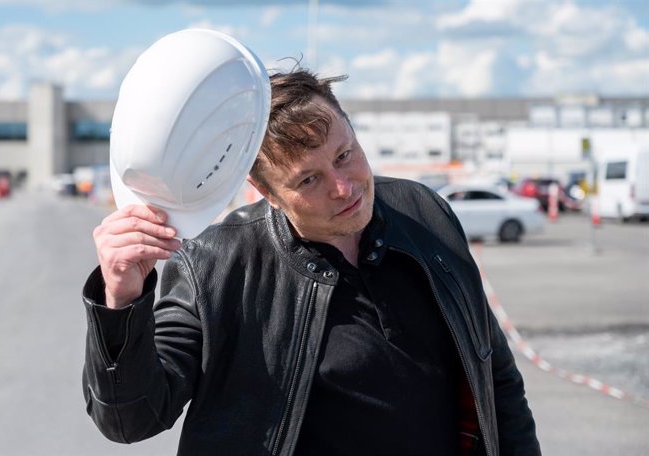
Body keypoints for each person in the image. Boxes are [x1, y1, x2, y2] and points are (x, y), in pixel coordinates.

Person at [82, 68, 541, 456]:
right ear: (267, 193)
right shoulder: (215, 263)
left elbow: (495, 375)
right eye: (309, 179)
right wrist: (122, 301)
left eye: (345, 154)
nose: (344, 187)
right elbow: (132, 419)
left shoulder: (425, 212)